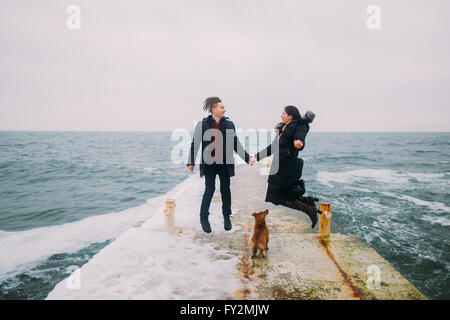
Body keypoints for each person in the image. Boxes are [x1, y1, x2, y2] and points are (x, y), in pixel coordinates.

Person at [187, 97, 252, 233]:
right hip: (209, 164)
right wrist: (191, 161)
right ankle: (204, 218)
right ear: (213, 109)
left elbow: (236, 144)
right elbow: (195, 143)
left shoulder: (229, 124)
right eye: (222, 107)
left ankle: (227, 217)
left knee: (225, 191)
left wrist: (247, 158)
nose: (224, 110)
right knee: (209, 190)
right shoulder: (202, 124)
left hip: (225, 164)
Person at [249, 106, 320, 228]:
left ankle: (309, 210)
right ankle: (307, 202)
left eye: (283, 113)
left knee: (279, 198)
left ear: (290, 116)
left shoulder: (299, 125)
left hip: (288, 167)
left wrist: (299, 143)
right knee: (281, 196)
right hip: (280, 166)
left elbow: (299, 137)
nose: (281, 115)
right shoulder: (283, 128)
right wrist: (256, 157)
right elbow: (273, 147)